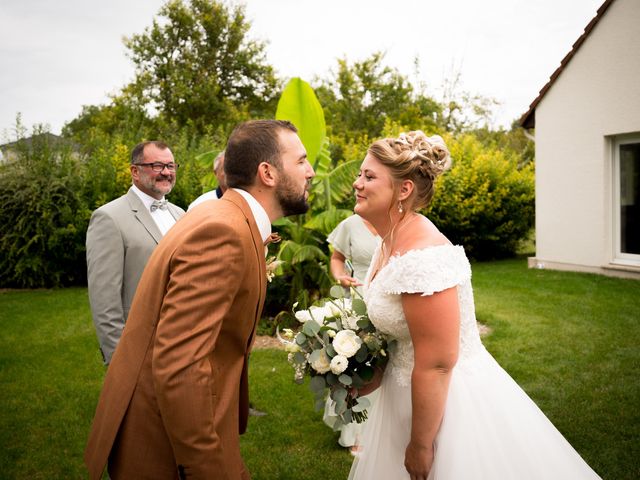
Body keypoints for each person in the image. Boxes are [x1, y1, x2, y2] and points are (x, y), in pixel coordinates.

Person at [348, 131, 601, 479]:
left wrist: (421, 444)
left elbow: (437, 364)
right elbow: (404, 332)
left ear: (403, 190)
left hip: (449, 404)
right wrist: (369, 371)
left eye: (369, 176)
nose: (357, 183)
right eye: (361, 174)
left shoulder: (424, 257)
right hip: (404, 394)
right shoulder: (389, 242)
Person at [84, 120, 315, 480]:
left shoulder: (223, 216)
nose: (311, 171)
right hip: (164, 440)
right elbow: (180, 365)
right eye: (301, 161)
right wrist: (209, 467)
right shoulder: (223, 230)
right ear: (267, 173)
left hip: (186, 421)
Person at [86, 140, 185, 365]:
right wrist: (118, 357)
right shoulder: (108, 217)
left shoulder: (180, 214)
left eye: (171, 166)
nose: (166, 172)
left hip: (182, 340)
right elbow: (104, 296)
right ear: (135, 171)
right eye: (157, 166)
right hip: (140, 345)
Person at [323, 214, 380, 451]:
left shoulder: (403, 220)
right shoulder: (351, 224)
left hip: (392, 298)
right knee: (362, 364)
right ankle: (356, 431)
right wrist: (340, 276)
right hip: (359, 300)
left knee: (391, 363)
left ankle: (388, 428)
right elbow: (337, 259)